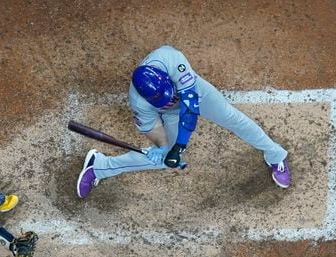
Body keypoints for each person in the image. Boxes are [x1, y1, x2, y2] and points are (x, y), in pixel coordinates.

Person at [76, 45, 292, 199]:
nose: (170, 99)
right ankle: (99, 166)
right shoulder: (139, 103)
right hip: (170, 114)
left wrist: (178, 147)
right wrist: (162, 148)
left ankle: (275, 154)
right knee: (163, 158)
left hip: (195, 94)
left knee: (230, 116)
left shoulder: (170, 59)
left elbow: (190, 110)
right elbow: (153, 128)